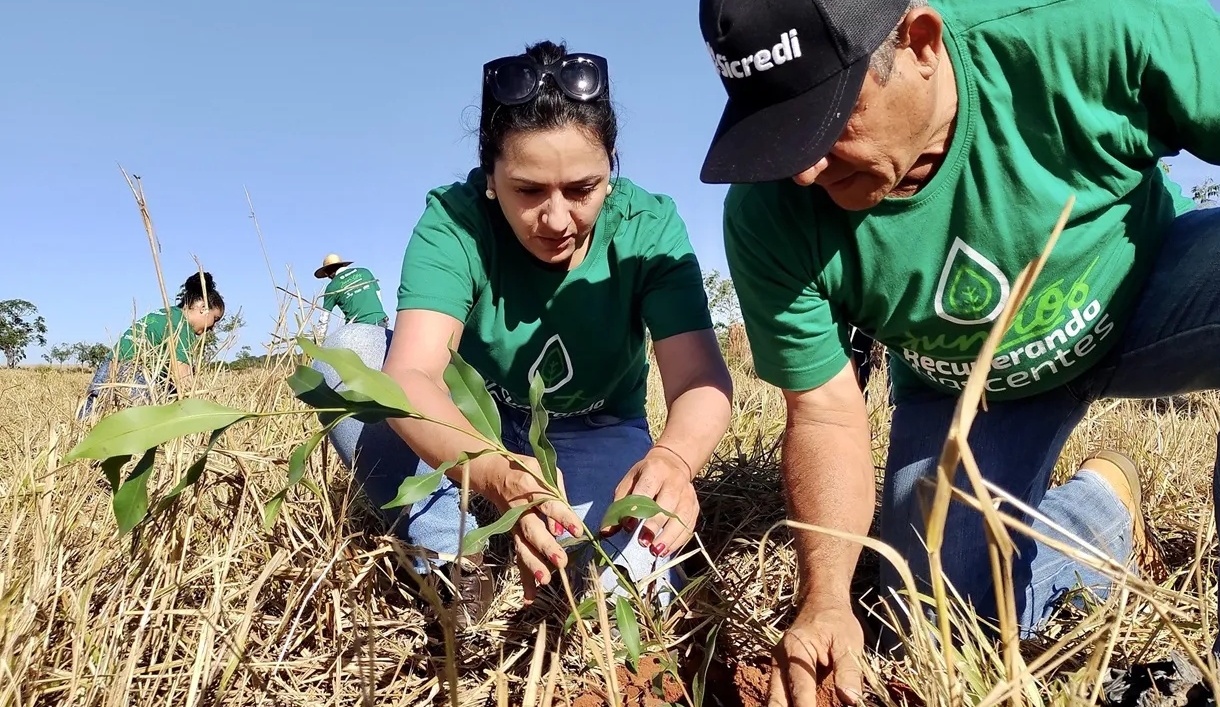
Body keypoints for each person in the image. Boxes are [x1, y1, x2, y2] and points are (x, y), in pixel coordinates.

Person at [696, 0, 1220, 707]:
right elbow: (826, 412)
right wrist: (825, 594)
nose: (803, 167)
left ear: (922, 41)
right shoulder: (770, 214)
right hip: (966, 387)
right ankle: (1096, 514)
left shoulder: (1090, 31)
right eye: (779, 135)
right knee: (930, 641)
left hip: (1143, 289)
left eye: (828, 122)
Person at [316, 41, 733, 625]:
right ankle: (453, 553)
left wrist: (675, 458)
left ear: (612, 168)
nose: (557, 219)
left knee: (622, 594)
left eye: (582, 189)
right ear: (491, 178)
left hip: (594, 427)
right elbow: (412, 374)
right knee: (341, 370)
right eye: (529, 191)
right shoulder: (454, 223)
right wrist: (495, 472)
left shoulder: (648, 226)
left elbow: (697, 378)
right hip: (474, 422)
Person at [80, 272, 226, 417]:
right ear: (203, 308)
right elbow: (183, 380)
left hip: (107, 370)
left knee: (88, 425)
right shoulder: (182, 327)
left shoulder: (165, 314)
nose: (213, 328)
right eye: (215, 318)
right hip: (133, 378)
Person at [315, 254, 389, 329]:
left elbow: (324, 317)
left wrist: (319, 338)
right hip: (380, 320)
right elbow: (378, 295)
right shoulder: (365, 272)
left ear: (328, 273)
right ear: (342, 265)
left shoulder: (332, 287)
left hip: (357, 327)